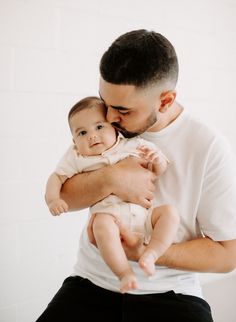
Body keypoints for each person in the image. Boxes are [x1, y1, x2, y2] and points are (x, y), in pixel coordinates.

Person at [36, 29, 236, 322]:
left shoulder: (208, 147)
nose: (109, 118)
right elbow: (64, 194)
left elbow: (227, 255)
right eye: (106, 103)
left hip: (171, 293)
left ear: (165, 101)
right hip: (90, 281)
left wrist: (145, 252)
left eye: (123, 110)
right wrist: (111, 179)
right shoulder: (101, 126)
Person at [45, 96, 180, 293]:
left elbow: (158, 170)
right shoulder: (77, 156)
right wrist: (53, 199)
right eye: (82, 133)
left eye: (99, 127)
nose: (92, 136)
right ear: (74, 141)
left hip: (144, 218)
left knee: (169, 213)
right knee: (101, 224)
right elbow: (56, 177)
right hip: (110, 217)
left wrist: (156, 160)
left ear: (114, 128)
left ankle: (151, 254)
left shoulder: (131, 145)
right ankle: (124, 273)